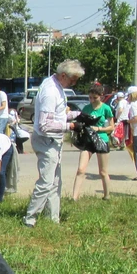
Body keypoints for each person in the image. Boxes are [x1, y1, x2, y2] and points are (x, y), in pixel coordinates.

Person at [23, 59, 85, 227]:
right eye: (73, 79)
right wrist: (70, 126)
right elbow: (45, 124)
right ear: (63, 75)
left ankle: (53, 219)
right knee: (46, 183)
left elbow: (57, 115)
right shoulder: (50, 91)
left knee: (55, 182)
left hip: (53, 140)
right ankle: (30, 219)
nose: (74, 82)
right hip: (46, 140)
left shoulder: (57, 87)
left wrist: (78, 115)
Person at [70, 83, 114, 201]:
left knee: (103, 172)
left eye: (95, 98)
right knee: (81, 170)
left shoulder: (106, 108)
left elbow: (111, 127)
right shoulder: (86, 108)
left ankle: (107, 195)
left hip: (101, 139)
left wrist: (99, 129)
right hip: (88, 140)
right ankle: (74, 197)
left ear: (101, 96)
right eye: (90, 97)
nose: (92, 100)